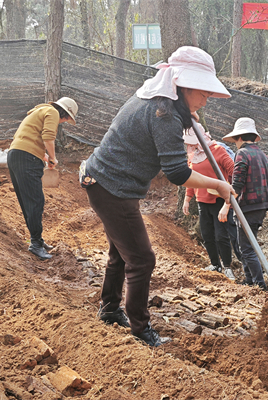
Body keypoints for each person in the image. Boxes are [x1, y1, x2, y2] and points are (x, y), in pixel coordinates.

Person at [80, 46, 233, 347]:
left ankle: (110, 309)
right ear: (185, 86)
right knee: (141, 258)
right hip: (112, 187)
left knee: (120, 254)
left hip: (104, 180)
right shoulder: (163, 113)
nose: (206, 99)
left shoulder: (157, 101)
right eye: (203, 92)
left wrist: (188, 117)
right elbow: (177, 172)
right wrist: (217, 185)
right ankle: (141, 329)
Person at [8, 97, 78, 260]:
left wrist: (45, 158)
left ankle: (37, 240)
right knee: (36, 201)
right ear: (64, 113)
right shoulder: (52, 112)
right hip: (27, 159)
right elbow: (48, 137)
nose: (64, 122)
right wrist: (53, 157)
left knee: (28, 201)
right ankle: (36, 245)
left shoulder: (39, 111)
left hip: (16, 155)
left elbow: (30, 140)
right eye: (66, 118)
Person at [219, 117, 268, 290]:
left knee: (246, 248)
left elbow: (236, 184)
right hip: (260, 206)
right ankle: (249, 280)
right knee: (248, 245)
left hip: (247, 207)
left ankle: (259, 285)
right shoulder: (263, 155)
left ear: (239, 138)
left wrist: (226, 205)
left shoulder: (242, 154)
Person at [182, 124, 236, 280]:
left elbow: (233, 170)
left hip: (219, 200)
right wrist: (187, 199)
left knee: (221, 236)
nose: (189, 145)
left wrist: (230, 194)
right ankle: (215, 264)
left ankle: (227, 267)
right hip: (202, 201)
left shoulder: (217, 150)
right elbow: (191, 178)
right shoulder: (192, 155)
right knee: (207, 235)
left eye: (191, 142)